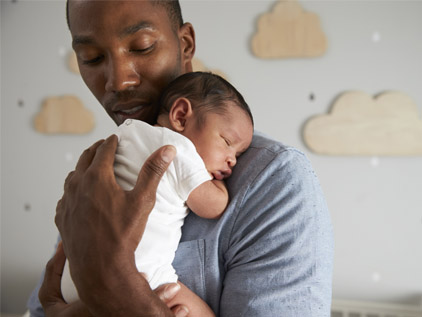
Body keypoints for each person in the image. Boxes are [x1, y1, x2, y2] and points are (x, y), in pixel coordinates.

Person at [28, 0, 334, 316]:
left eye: (142, 47)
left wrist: (120, 290)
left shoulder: (274, 181)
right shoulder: (99, 172)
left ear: (184, 44)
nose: (118, 81)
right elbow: (46, 304)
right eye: (91, 58)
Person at [60, 71, 254, 313]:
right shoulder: (179, 149)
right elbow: (213, 206)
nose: (232, 161)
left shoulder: (125, 135)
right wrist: (218, 184)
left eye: (237, 155)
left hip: (73, 279)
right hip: (142, 276)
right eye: (227, 142)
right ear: (181, 116)